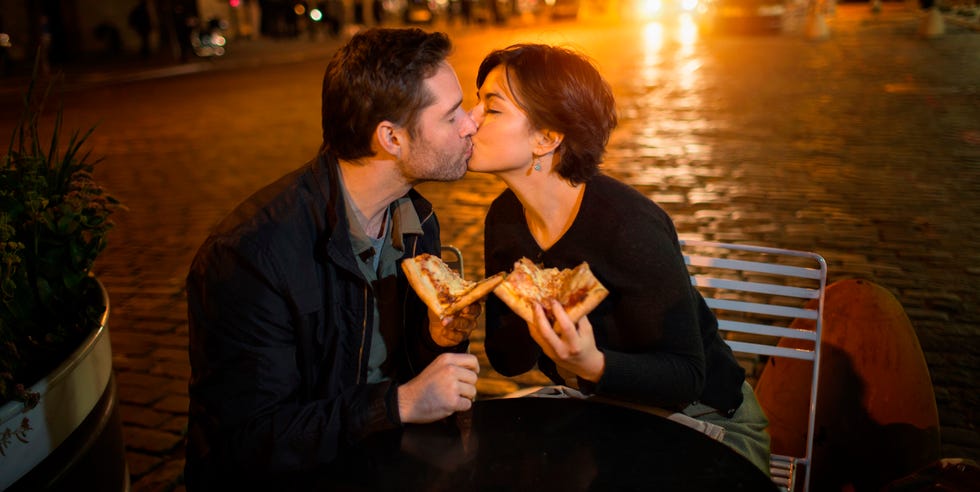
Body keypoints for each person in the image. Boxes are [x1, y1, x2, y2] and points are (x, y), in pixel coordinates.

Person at [185, 28, 480, 490]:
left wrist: (437, 339)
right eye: (451, 116)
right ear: (391, 138)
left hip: (384, 462)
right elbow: (246, 441)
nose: (470, 124)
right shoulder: (249, 256)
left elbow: (402, 366)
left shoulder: (415, 218)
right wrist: (398, 404)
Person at [468, 43, 772, 474]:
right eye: (476, 101)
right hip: (602, 415)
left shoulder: (628, 226)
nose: (469, 118)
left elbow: (687, 375)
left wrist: (590, 364)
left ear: (548, 137)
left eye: (491, 108)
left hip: (704, 423)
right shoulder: (503, 218)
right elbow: (507, 360)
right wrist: (523, 310)